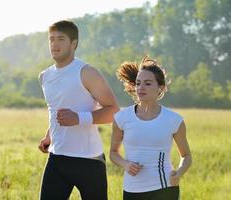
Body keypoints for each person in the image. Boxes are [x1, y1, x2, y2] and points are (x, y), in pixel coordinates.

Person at [38, 19, 119, 200]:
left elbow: (114, 110)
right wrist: (49, 136)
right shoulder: (45, 76)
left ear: (73, 44)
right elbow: (55, 111)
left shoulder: (87, 72)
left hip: (88, 160)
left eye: (60, 39)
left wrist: (79, 118)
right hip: (57, 158)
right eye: (51, 39)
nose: (54, 44)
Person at [110, 56, 192, 200]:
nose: (141, 88)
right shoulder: (122, 118)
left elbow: (186, 156)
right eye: (138, 83)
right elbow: (113, 153)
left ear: (160, 87)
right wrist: (126, 164)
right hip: (132, 189)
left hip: (164, 188)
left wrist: (178, 173)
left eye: (147, 83)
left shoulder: (174, 120)